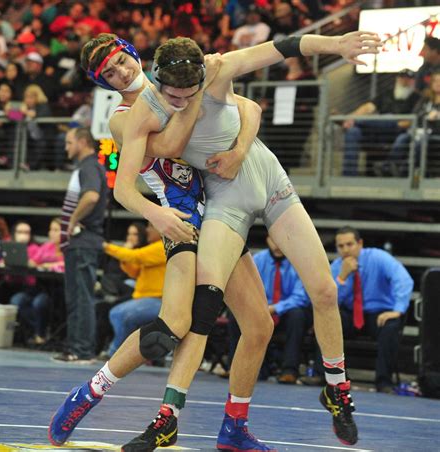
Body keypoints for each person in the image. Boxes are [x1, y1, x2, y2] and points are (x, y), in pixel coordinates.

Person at [114, 32, 381, 446]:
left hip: (268, 181)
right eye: (174, 93)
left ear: (201, 74)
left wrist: (339, 45)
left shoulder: (216, 69)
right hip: (225, 200)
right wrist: (155, 210)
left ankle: (336, 388)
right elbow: (144, 165)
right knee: (206, 304)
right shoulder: (142, 114)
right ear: (156, 78)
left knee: (325, 291)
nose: (182, 99)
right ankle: (167, 417)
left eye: (190, 90)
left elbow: (281, 48)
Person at [49, 35, 274, 452]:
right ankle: (89, 394)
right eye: (110, 74)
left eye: (120, 62)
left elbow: (251, 107)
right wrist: (199, 89)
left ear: (133, 54)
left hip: (223, 215)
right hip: (181, 218)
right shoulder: (123, 116)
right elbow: (158, 157)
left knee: (259, 325)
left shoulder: (179, 77)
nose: (121, 73)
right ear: (103, 84)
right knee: (172, 325)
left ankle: (235, 428)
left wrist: (240, 146)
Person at [301, 226, 414, 394]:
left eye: (350, 244)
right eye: (341, 246)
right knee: (326, 320)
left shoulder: (378, 257)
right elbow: (328, 302)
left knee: (391, 326)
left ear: (360, 243)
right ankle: (323, 374)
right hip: (350, 314)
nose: (346, 250)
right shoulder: (335, 267)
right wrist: (342, 277)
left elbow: (404, 280)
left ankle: (384, 382)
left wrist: (397, 310)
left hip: (378, 314)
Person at [52, 127, 108, 363]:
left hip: (84, 241)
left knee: (82, 296)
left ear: (83, 142)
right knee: (75, 296)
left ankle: (81, 349)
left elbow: (91, 196)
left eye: (69, 142)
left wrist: (73, 220)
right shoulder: (85, 167)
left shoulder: (89, 167)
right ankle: (75, 347)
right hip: (79, 243)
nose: (66, 148)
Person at [228, 235, 311, 384]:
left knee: (297, 315)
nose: (278, 245)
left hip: (284, 312)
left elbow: (300, 296)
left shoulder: (297, 262)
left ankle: (289, 370)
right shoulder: (257, 260)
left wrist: (275, 308)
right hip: (258, 308)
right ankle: (238, 367)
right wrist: (259, 307)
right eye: (274, 240)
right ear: (267, 240)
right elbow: (246, 288)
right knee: (235, 314)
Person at [342, 69, 420, 176]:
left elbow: (413, 120)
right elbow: (368, 107)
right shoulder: (386, 94)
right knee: (353, 131)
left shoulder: (417, 98)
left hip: (398, 131)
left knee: (389, 118)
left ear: (413, 81)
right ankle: (348, 176)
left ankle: (355, 121)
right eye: (402, 78)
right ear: (397, 79)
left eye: (408, 79)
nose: (405, 81)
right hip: (377, 131)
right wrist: (352, 116)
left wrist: (395, 123)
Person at [105, 222, 166, 357]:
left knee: (119, 314)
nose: (147, 231)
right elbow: (134, 273)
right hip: (146, 298)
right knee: (116, 312)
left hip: (159, 301)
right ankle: (126, 354)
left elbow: (136, 256)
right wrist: (125, 259)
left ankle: (114, 354)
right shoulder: (152, 248)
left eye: (151, 227)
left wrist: (106, 246)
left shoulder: (162, 247)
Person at [10, 217, 64, 346]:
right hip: (37, 287)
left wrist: (46, 265)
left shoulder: (68, 248)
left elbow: (65, 265)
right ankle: (37, 329)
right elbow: (34, 262)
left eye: (56, 230)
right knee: (17, 300)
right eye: (51, 229)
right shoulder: (46, 246)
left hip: (56, 289)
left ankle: (40, 334)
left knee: (39, 302)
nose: (52, 233)